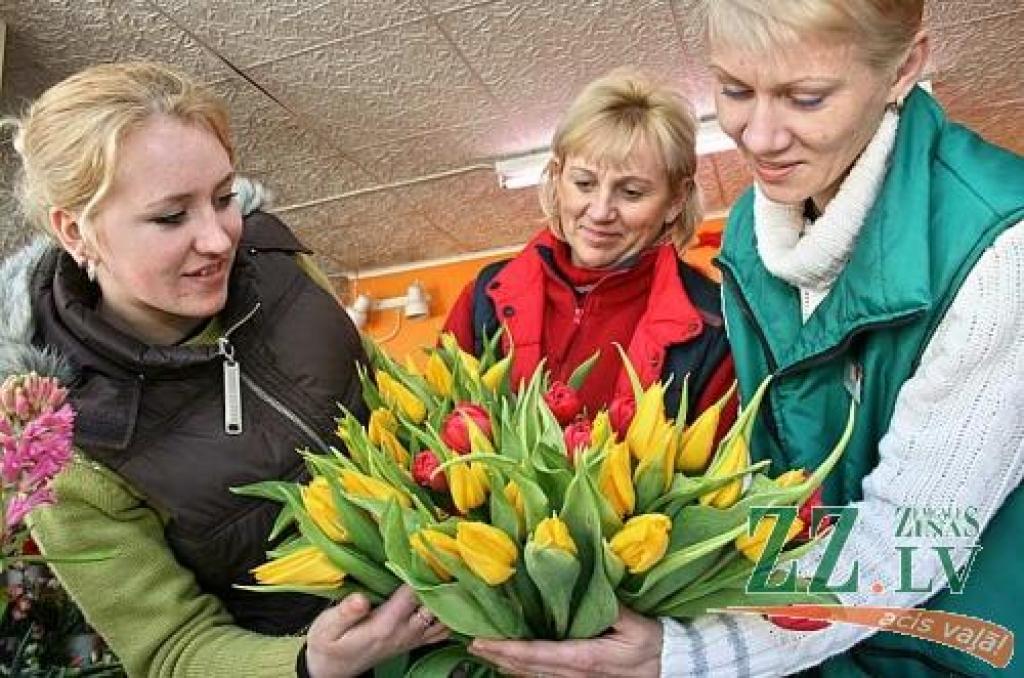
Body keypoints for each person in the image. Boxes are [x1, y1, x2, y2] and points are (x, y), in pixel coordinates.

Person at [469, 1, 1024, 676]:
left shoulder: (999, 249)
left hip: (948, 648)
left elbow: (913, 533)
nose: (758, 137)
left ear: (904, 66)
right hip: (813, 642)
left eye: (806, 97)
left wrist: (690, 652)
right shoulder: (751, 240)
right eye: (734, 90)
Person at [2, 62, 446, 677]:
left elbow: (383, 393)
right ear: (76, 230)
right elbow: (170, 649)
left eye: (223, 197)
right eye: (170, 217)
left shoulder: (275, 258)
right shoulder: (61, 445)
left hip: (469, 582)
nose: (218, 240)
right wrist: (309, 663)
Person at [444, 69, 735, 424]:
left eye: (631, 192)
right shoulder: (487, 294)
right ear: (557, 177)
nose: (600, 212)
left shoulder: (712, 326)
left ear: (676, 200)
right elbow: (437, 418)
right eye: (584, 183)